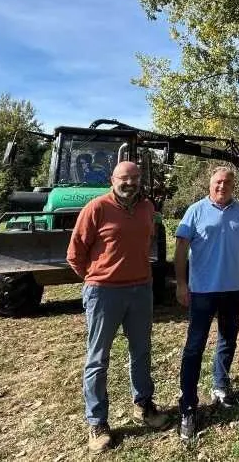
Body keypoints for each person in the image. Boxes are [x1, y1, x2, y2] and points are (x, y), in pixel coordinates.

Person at [66, 161, 169, 454]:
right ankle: (97, 422)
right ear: (113, 179)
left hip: (141, 290)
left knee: (141, 351)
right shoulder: (96, 208)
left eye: (136, 178)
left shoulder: (147, 208)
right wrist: (96, 278)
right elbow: (75, 254)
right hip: (104, 293)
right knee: (98, 359)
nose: (131, 183)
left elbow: (146, 241)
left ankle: (144, 406)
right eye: (125, 178)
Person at [174, 166, 239, 441]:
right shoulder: (195, 210)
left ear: (234, 185)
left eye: (227, 182)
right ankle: (188, 405)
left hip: (233, 290)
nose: (222, 186)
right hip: (201, 293)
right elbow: (180, 248)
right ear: (210, 184)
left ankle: (221, 386)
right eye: (218, 182)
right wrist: (181, 283)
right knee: (194, 348)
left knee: (228, 341)